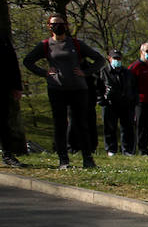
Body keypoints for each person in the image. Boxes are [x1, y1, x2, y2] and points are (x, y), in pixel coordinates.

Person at [22, 14, 103, 169]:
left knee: (81, 124)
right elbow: (28, 61)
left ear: (66, 26)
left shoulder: (76, 44)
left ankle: (88, 159)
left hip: (78, 89)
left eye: (60, 23)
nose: (57, 26)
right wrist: (44, 72)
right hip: (56, 89)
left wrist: (86, 72)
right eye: (54, 24)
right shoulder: (45, 45)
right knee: (60, 125)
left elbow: (99, 60)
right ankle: (63, 160)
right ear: (49, 26)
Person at [96, 50, 138, 156]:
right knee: (110, 127)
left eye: (119, 58)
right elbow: (98, 87)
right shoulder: (104, 71)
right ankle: (111, 149)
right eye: (115, 58)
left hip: (125, 104)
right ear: (109, 58)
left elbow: (133, 87)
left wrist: (133, 100)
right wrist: (101, 99)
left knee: (127, 128)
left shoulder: (127, 72)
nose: (117, 60)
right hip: (110, 104)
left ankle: (127, 150)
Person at [1, 38, 22, 167]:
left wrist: (17, 86)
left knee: (3, 122)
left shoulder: (3, 40)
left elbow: (13, 63)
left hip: (3, 86)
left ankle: (7, 154)